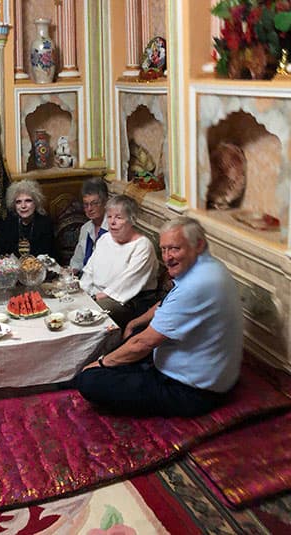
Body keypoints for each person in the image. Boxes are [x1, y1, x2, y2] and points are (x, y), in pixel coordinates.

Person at [73, 217, 243, 417]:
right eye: (163, 249)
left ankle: (92, 372)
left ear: (198, 244)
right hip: (199, 371)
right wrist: (136, 322)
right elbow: (166, 303)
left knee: (89, 381)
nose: (167, 257)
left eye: (174, 249)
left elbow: (142, 344)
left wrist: (99, 364)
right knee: (135, 330)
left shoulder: (197, 284)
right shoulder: (210, 266)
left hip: (190, 391)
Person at [79, 195, 158, 328]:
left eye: (119, 217)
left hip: (127, 301)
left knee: (90, 315)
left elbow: (129, 281)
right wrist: (82, 291)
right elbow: (89, 270)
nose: (112, 222)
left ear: (132, 220)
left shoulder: (142, 245)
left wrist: (99, 296)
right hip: (97, 294)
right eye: (109, 217)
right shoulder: (105, 239)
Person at [0, 180, 56, 258]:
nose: (23, 206)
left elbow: (49, 256)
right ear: (14, 205)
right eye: (18, 202)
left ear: (36, 203)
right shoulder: (8, 223)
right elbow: (0, 254)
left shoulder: (45, 223)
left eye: (28, 201)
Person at [69, 178, 109, 274]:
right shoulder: (85, 229)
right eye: (86, 204)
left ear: (105, 202)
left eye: (94, 203)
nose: (90, 209)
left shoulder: (113, 228)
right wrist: (71, 272)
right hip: (85, 280)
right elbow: (77, 261)